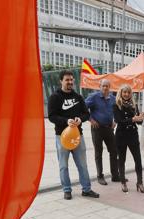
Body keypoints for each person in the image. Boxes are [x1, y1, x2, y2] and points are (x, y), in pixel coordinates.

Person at [48, 70, 99, 200]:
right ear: (61, 81)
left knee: (82, 164)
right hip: (61, 136)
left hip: (78, 136)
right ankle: (67, 190)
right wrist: (66, 121)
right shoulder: (55, 97)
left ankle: (86, 189)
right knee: (63, 165)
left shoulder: (78, 97)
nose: (70, 82)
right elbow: (52, 116)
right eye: (67, 80)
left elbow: (86, 114)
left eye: (71, 79)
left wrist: (80, 119)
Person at [113, 84, 144, 193]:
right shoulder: (116, 105)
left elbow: (139, 122)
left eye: (128, 92)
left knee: (138, 159)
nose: (126, 94)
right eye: (124, 92)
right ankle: (123, 182)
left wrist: (141, 117)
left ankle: (140, 182)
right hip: (121, 135)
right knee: (121, 160)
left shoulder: (133, 104)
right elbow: (119, 121)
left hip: (132, 135)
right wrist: (133, 119)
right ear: (121, 93)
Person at [85, 79, 120, 185]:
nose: (105, 88)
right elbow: (82, 108)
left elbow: (118, 111)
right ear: (99, 86)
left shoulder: (113, 98)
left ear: (110, 87)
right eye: (103, 86)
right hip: (97, 129)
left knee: (114, 151)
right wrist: (90, 119)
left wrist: (115, 120)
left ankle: (115, 175)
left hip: (109, 128)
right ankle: (100, 176)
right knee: (98, 153)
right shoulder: (93, 97)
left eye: (107, 86)